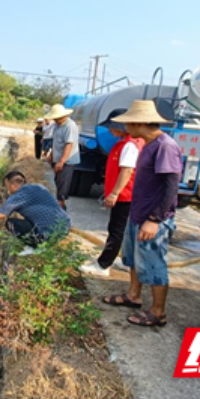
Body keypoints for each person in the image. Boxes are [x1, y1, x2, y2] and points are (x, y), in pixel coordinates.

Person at [101, 100, 182, 328]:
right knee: (134, 258)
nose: (126, 127)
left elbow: (170, 186)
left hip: (152, 218)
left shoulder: (165, 146)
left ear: (139, 123)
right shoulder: (148, 144)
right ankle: (133, 295)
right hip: (138, 213)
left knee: (154, 264)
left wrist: (154, 219)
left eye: (128, 123)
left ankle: (158, 312)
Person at [81, 109, 144, 278]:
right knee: (120, 230)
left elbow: (127, 171)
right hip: (128, 195)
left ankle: (103, 265)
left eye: (111, 126)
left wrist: (114, 193)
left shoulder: (130, 145)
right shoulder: (129, 142)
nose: (109, 130)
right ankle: (115, 259)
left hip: (126, 196)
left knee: (116, 230)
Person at [0, 170, 70, 251]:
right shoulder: (39, 187)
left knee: (11, 223)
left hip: (49, 236)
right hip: (65, 226)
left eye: (7, 186)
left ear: (11, 184)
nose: (8, 190)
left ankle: (36, 247)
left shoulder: (18, 196)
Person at [45, 104, 80, 210]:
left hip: (67, 161)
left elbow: (69, 144)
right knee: (58, 182)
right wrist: (51, 154)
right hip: (58, 158)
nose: (55, 120)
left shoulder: (70, 126)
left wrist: (62, 161)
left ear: (63, 116)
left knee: (62, 186)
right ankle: (59, 206)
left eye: (57, 118)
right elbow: (55, 141)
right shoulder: (57, 125)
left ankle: (60, 210)